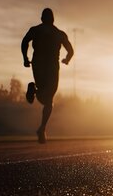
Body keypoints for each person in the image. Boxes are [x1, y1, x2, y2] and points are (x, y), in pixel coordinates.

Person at [21, 8, 74, 143]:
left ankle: (34, 88)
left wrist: (25, 58)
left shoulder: (35, 30)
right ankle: (42, 128)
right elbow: (70, 49)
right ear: (53, 19)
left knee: (45, 94)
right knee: (48, 100)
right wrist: (67, 59)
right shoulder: (59, 33)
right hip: (51, 67)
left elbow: (24, 41)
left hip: (37, 63)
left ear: (41, 18)